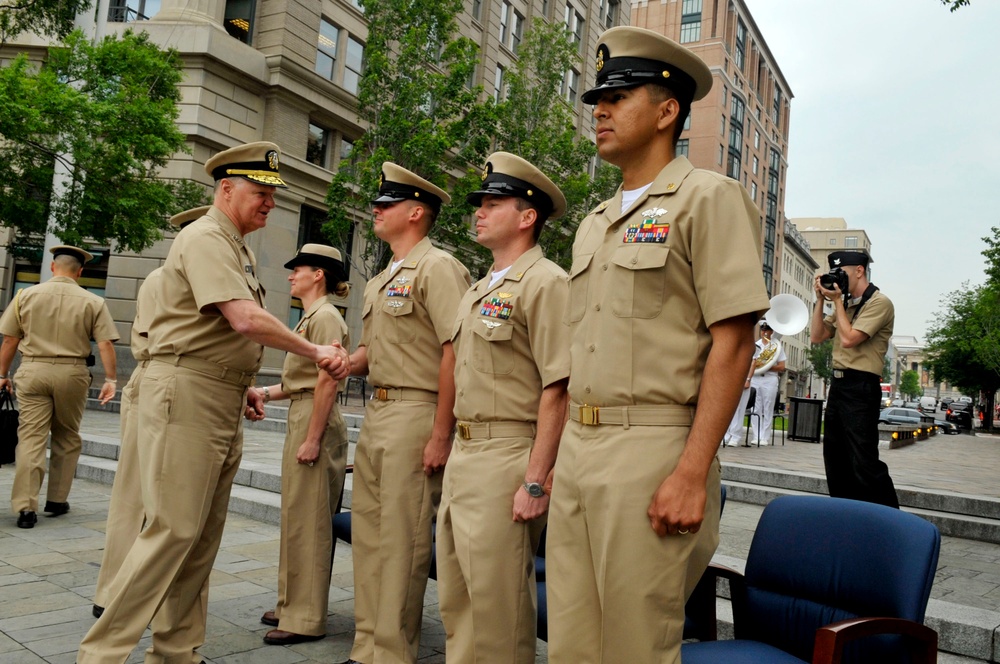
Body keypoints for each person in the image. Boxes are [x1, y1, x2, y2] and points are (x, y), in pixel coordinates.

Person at [545, 26, 771, 664]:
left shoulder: (707, 199)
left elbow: (734, 343)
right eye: (597, 99)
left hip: (652, 449)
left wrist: (692, 472)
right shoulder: (594, 222)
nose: (600, 111)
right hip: (581, 452)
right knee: (570, 643)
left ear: (668, 110)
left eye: (618, 97)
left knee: (635, 647)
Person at [78, 141, 350, 664]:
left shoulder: (236, 246)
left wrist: (241, 380)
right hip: (188, 396)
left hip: (216, 394)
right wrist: (315, 349)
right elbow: (244, 319)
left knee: (199, 537)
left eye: (273, 194)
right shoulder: (206, 236)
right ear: (226, 189)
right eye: (259, 192)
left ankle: (177, 650)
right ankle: (101, 654)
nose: (269, 203)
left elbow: (216, 332)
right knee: (173, 529)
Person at [435, 152, 570, 663]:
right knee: (458, 594)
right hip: (467, 455)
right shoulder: (478, 287)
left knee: (497, 602)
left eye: (494, 203)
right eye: (480, 204)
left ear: (527, 216)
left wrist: (536, 479)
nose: (480, 212)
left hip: (508, 451)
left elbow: (559, 385)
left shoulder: (546, 282)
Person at [343, 163, 471, 664]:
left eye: (386, 204)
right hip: (378, 413)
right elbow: (372, 351)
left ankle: (392, 652)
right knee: (370, 535)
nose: (376, 210)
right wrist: (340, 361)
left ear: (416, 212)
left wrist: (442, 433)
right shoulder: (383, 277)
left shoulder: (438, 268)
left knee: (404, 540)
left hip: (417, 414)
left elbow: (455, 351)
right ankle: (367, 643)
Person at [91, 206, 209, 620]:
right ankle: (125, 597)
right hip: (167, 383)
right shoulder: (179, 277)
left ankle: (114, 592)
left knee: (139, 494)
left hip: (157, 382)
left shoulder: (163, 277)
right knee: (151, 499)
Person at [254, 244, 351, 646]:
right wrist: (262, 391)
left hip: (316, 420)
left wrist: (313, 438)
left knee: (309, 521)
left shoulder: (326, 317)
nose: (291, 275)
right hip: (303, 411)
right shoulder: (312, 316)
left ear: (319, 275)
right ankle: (291, 602)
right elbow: (300, 381)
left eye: (299, 269)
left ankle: (306, 617)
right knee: (297, 516)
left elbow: (327, 382)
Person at [0, 245, 119, 529]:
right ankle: (56, 499)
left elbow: (9, 341)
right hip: (72, 373)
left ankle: (26, 508)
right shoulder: (93, 301)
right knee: (67, 435)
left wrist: (2, 374)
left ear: (53, 268)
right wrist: (111, 380)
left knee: (31, 437)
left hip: (32, 370)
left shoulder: (24, 296)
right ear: (80, 272)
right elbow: (104, 344)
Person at [810, 250, 898, 508]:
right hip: (838, 386)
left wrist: (836, 301)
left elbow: (849, 339)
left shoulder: (879, 303)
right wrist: (819, 301)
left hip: (861, 387)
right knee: (835, 458)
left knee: (864, 461)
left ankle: (890, 520)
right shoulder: (846, 304)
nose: (838, 279)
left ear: (859, 270)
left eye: (842, 273)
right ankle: (845, 516)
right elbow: (817, 336)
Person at [748, 321, 786, 445]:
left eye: (767, 330)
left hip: (770, 378)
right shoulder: (756, 345)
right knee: (755, 407)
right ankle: (756, 435)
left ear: (771, 332)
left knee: (768, 407)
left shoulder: (776, 346)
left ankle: (765, 437)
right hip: (756, 378)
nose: (764, 332)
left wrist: (767, 366)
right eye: (762, 330)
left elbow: (781, 367)